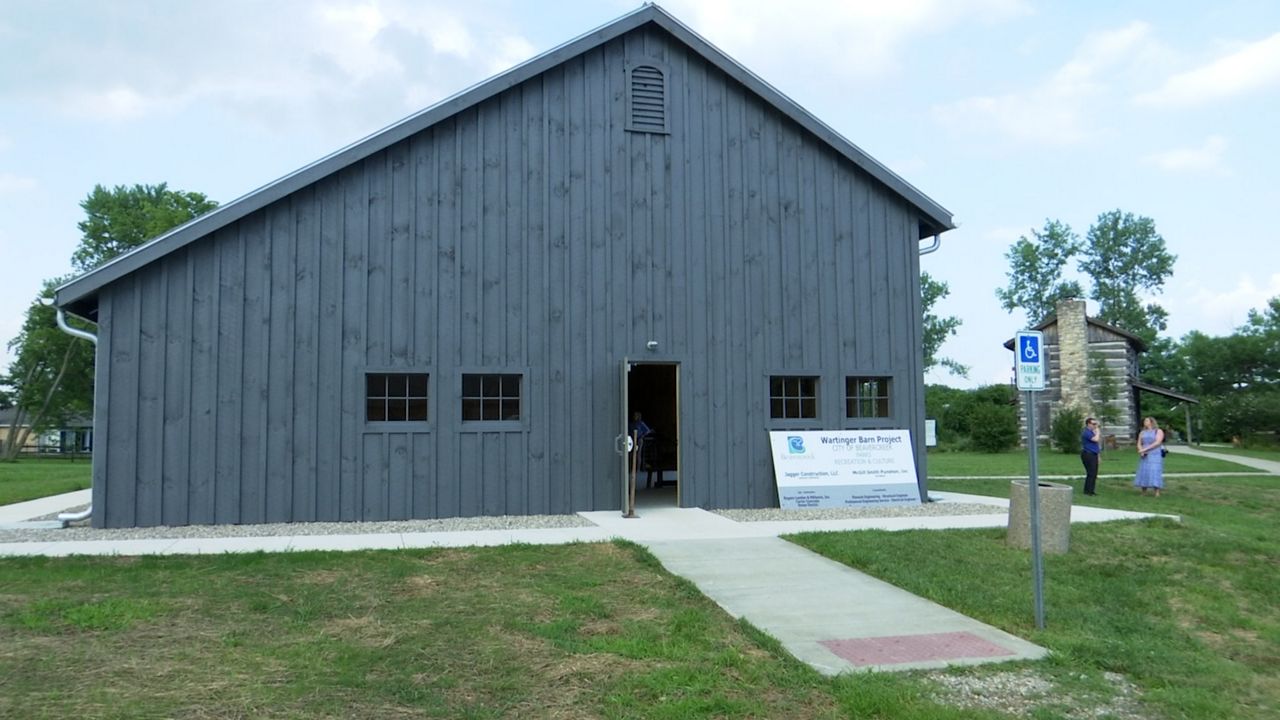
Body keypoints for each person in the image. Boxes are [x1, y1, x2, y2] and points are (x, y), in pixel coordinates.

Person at [1133, 416, 1165, 497]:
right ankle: (1143, 491)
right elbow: (1139, 443)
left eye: (1147, 421)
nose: (1145, 422)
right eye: (1144, 421)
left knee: (1154, 471)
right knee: (1144, 471)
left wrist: (1145, 449)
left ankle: (1157, 491)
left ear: (1151, 422)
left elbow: (1157, 442)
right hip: (1145, 454)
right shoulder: (1142, 432)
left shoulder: (1158, 431)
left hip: (1155, 453)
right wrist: (1141, 450)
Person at [1080, 417, 1101, 496]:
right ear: (1088, 424)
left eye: (1096, 424)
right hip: (1088, 454)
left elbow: (1096, 445)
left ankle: (1091, 490)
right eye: (1093, 424)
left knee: (1094, 473)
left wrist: (1098, 456)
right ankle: (1087, 491)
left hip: (1094, 454)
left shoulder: (1092, 432)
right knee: (1091, 473)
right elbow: (1095, 440)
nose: (1095, 426)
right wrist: (1098, 432)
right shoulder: (1086, 432)